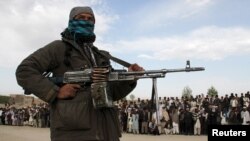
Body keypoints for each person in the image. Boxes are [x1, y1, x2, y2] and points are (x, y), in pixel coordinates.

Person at [16, 6, 144, 141]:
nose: (86, 21)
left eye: (90, 19)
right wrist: (55, 92)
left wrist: (129, 78)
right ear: (71, 21)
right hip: (74, 133)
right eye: (81, 18)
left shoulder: (99, 55)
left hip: (106, 131)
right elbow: (24, 70)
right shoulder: (58, 48)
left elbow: (112, 94)